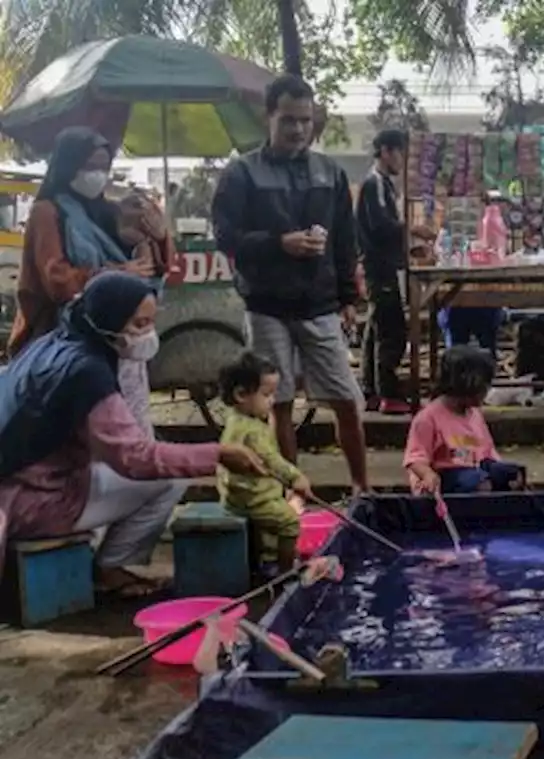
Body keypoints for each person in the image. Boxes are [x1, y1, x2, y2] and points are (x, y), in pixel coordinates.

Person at [0, 273, 264, 597]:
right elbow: (137, 459)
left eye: (152, 322)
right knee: (168, 479)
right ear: (110, 320)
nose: (148, 333)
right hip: (33, 500)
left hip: (22, 481)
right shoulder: (86, 372)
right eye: (139, 324)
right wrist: (219, 455)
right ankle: (110, 568)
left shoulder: (55, 343)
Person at [212, 73, 369, 492]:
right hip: (266, 305)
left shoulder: (330, 173)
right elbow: (226, 238)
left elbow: (345, 239)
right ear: (269, 117)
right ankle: (291, 493)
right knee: (278, 405)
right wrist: (278, 243)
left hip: (320, 305)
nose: (298, 129)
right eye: (288, 120)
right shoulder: (242, 173)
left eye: (305, 120)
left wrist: (348, 298)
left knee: (347, 400)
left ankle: (361, 488)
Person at [8, 127, 169, 436]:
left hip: (113, 337)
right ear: (68, 164)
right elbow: (57, 279)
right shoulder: (47, 212)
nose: (98, 174)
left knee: (119, 426)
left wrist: (158, 235)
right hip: (59, 336)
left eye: (103, 167)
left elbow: (149, 267)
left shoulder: (109, 211)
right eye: (89, 165)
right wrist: (113, 273)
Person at [357, 128, 435, 415]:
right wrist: (412, 230)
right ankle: (389, 393)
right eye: (400, 152)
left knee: (377, 328)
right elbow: (380, 227)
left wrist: (410, 249)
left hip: (385, 264)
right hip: (381, 268)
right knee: (392, 330)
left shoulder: (386, 186)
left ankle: (371, 391)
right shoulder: (375, 183)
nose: (402, 160)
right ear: (386, 151)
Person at [217, 352, 317, 571]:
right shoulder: (250, 431)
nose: (272, 401)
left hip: (236, 492)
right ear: (242, 394)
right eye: (266, 394)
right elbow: (272, 461)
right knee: (290, 522)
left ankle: (271, 556)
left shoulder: (240, 418)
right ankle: (286, 571)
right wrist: (296, 478)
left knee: (281, 508)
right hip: (250, 497)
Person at [403, 345, 525, 496]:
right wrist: (428, 475)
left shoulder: (474, 414)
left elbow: (488, 452)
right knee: (480, 483)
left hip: (476, 467)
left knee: (514, 474)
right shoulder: (427, 418)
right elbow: (415, 459)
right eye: (484, 387)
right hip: (446, 473)